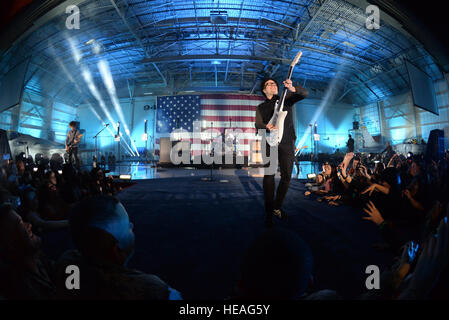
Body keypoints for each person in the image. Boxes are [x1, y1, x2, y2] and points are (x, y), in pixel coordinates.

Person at [55, 195, 181, 299]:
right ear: (116, 251)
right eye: (127, 227)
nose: (132, 226)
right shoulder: (154, 289)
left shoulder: (68, 262)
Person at [255, 77, 308, 227]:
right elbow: (257, 123)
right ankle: (268, 211)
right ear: (264, 90)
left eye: (274, 83)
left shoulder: (286, 98)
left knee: (287, 176)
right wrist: (266, 126)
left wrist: (292, 88)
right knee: (269, 175)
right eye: (269, 84)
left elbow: (304, 94)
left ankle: (277, 207)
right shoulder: (261, 107)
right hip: (269, 141)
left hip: (286, 141)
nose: (273, 85)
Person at [0, 204, 55, 299]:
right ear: (10, 244)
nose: (29, 225)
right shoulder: (21, 289)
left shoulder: (40, 260)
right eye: (20, 224)